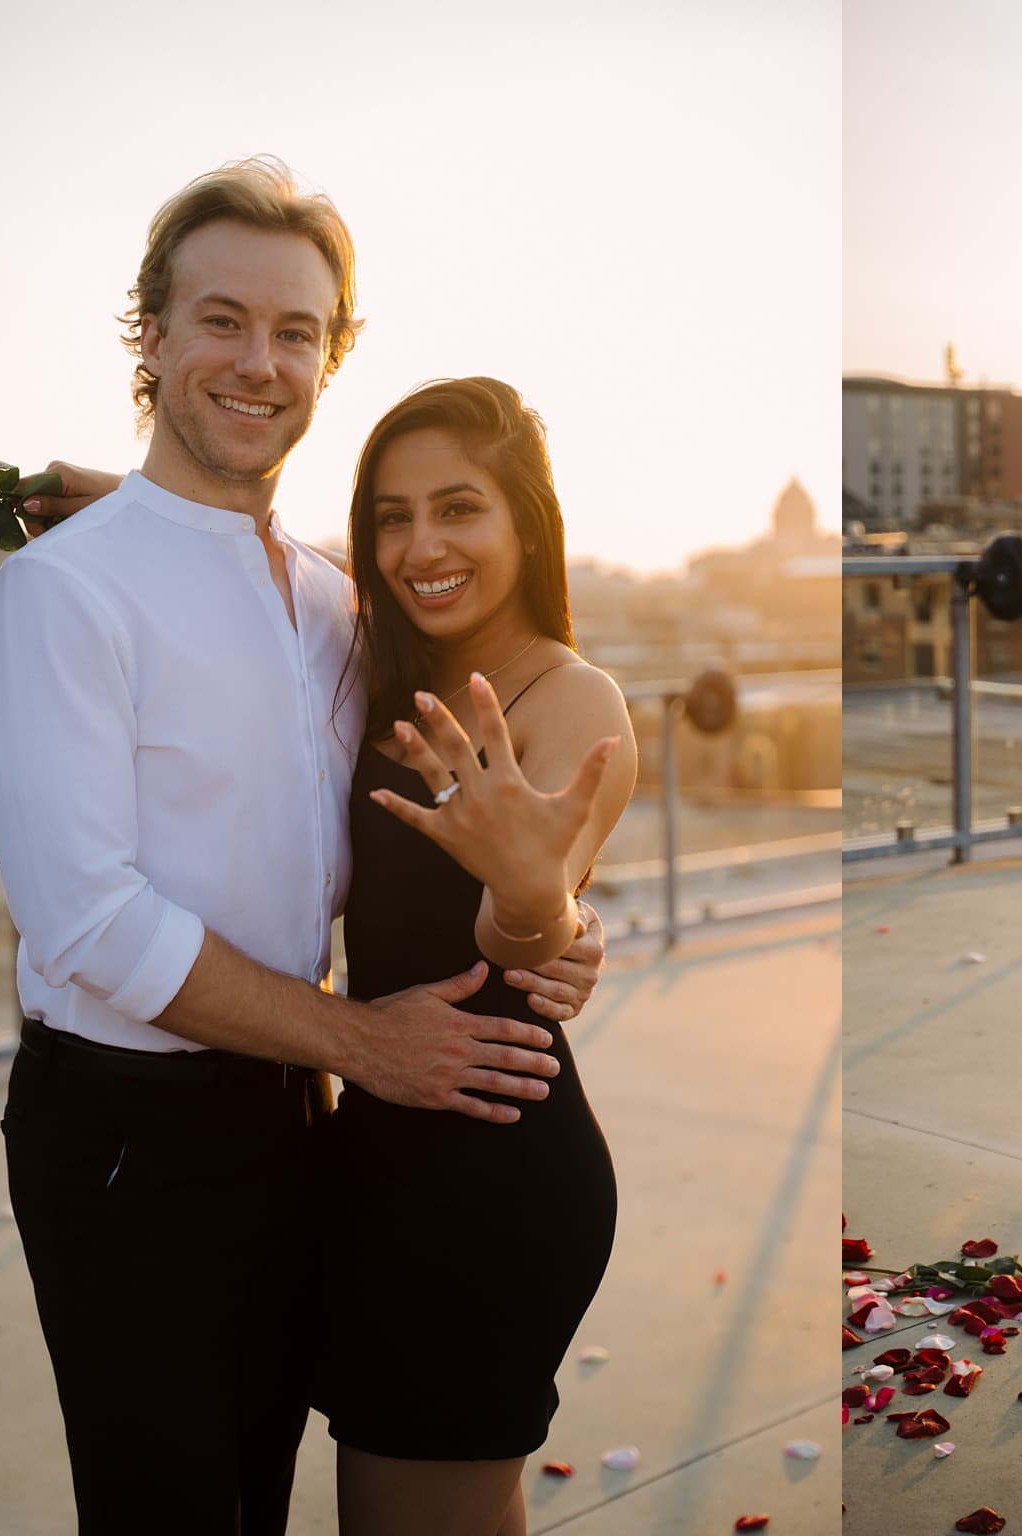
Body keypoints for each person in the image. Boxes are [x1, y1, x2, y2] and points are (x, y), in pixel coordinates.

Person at [0, 159, 606, 1535]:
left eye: (296, 332)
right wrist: (362, 1042)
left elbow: (471, 836)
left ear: (334, 355)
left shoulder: (332, 603)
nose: (260, 362)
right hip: (133, 1135)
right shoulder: (61, 597)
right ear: (151, 335)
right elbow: (87, 924)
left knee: (263, 1490)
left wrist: (550, 915)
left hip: (294, 1122)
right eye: (221, 320)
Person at [315, 376, 637, 1535]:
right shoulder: (392, 661)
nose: (421, 546)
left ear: (526, 525)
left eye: (459, 509)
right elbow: (272, 571)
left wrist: (533, 891)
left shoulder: (573, 697)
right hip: (390, 1145)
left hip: (488, 1175)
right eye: (390, 517)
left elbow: (521, 943)